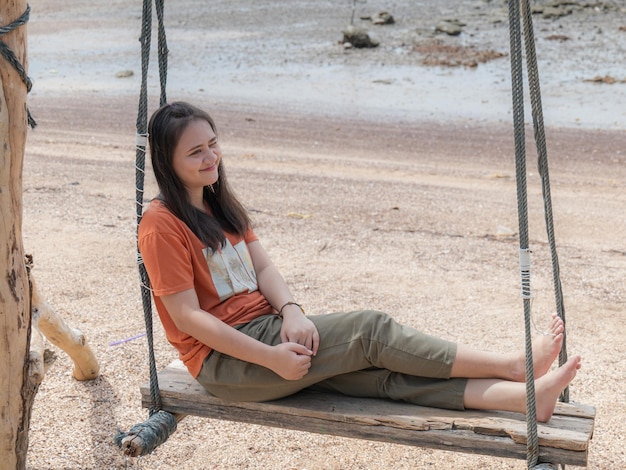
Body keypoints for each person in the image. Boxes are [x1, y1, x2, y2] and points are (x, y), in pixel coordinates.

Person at [138, 101, 581, 422]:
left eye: (212, 144)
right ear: (168, 161)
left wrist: (291, 311)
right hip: (226, 360)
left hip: (268, 332)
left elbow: (265, 270)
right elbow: (190, 318)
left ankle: (525, 399)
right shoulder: (161, 223)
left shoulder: (220, 206)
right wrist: (271, 357)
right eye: (195, 152)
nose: (210, 157)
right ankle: (510, 365)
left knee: (381, 377)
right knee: (370, 331)